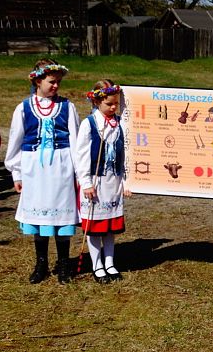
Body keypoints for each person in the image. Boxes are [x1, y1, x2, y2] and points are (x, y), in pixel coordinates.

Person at [5, 58, 79, 284]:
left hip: (61, 166)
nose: (55, 86)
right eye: (51, 81)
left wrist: (78, 174)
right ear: (37, 80)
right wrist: (16, 173)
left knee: (62, 215)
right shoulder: (24, 108)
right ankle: (42, 264)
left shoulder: (67, 106)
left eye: (58, 82)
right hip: (34, 169)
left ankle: (64, 265)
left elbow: (76, 142)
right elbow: (15, 142)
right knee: (39, 215)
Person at [77, 80, 130, 284]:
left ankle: (110, 262)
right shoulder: (89, 124)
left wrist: (126, 181)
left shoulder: (119, 124)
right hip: (96, 182)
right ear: (97, 101)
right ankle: (96, 265)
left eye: (116, 103)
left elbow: (124, 154)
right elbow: (81, 155)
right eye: (109, 104)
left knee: (109, 227)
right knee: (95, 227)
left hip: (113, 181)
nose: (113, 107)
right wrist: (86, 182)